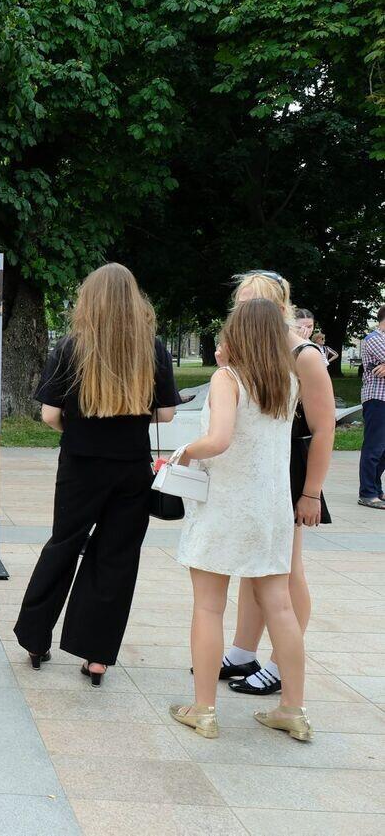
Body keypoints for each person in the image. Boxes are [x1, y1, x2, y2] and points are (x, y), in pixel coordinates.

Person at [13, 264, 180, 683]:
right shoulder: (152, 347)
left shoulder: (71, 347)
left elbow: (49, 414)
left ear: (90, 299)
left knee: (63, 545)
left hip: (80, 463)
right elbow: (166, 413)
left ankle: (35, 638)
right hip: (132, 466)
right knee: (116, 557)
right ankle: (97, 655)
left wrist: (80, 427)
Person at [170, 298, 311, 742]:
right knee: (281, 607)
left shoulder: (227, 379)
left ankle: (204, 709)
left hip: (226, 506)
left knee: (209, 606)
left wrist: (183, 452)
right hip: (271, 509)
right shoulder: (288, 381)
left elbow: (219, 440)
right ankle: (293, 709)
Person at [217, 271, 334, 697]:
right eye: (240, 301)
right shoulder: (252, 349)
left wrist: (311, 493)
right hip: (261, 468)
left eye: (251, 302)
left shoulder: (303, 354)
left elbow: (323, 429)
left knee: (286, 572)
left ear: (278, 308)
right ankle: (242, 652)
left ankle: (282, 665)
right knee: (255, 567)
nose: (241, 309)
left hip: (292, 472)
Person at [358, 306, 385, 509]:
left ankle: (376, 488)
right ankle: (367, 493)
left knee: (383, 450)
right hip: (377, 399)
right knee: (374, 447)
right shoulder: (374, 339)